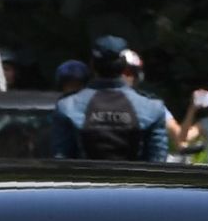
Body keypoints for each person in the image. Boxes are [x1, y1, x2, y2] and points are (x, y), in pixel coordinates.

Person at [48, 35, 170, 163]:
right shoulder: (152, 108)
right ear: (124, 67)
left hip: (85, 182)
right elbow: (158, 164)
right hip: (136, 182)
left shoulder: (68, 106)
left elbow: (61, 162)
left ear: (92, 65)